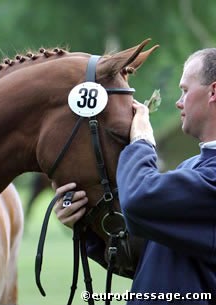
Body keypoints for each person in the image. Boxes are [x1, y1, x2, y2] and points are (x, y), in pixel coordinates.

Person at [54, 48, 216, 304]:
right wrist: (83, 226)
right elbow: (144, 260)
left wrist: (141, 140)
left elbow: (139, 198)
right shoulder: (192, 166)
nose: (178, 101)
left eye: (185, 90)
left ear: (213, 92)